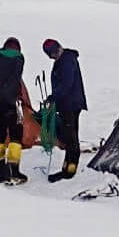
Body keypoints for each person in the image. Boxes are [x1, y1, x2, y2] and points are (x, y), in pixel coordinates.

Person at [0, 35, 28, 184]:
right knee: (16, 135)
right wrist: (0, 93)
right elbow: (14, 81)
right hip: (12, 103)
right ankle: (13, 171)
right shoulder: (18, 59)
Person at [41, 38, 86, 180]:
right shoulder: (63, 60)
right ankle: (67, 167)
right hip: (67, 104)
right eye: (51, 55)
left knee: (71, 138)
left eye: (54, 53)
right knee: (69, 136)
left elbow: (67, 84)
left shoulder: (67, 60)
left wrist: (54, 97)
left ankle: (69, 171)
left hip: (71, 105)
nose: (53, 56)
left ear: (59, 48)